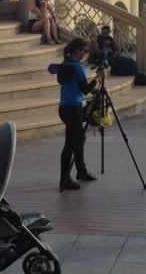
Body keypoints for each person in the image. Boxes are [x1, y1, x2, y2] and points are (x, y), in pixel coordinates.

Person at [57, 38, 98, 191]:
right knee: (70, 145)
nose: (85, 54)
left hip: (65, 107)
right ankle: (64, 179)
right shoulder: (77, 67)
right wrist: (97, 78)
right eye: (84, 51)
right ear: (77, 50)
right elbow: (85, 89)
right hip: (74, 108)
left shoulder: (65, 64)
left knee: (79, 139)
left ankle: (81, 171)